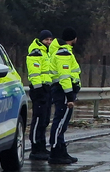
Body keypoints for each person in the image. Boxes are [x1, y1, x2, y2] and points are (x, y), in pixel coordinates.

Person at [48, 27, 81, 164]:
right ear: (73, 39)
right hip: (63, 92)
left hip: (62, 91)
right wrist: (70, 96)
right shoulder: (63, 54)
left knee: (62, 122)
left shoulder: (63, 51)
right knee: (60, 122)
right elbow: (65, 77)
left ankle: (61, 151)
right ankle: (56, 152)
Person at [25, 30, 55, 160]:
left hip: (46, 89)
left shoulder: (47, 53)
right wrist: (39, 90)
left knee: (45, 119)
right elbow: (34, 74)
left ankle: (42, 146)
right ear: (41, 40)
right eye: (46, 40)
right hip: (39, 90)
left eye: (50, 40)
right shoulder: (36, 53)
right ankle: (36, 148)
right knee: (38, 119)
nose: (49, 42)